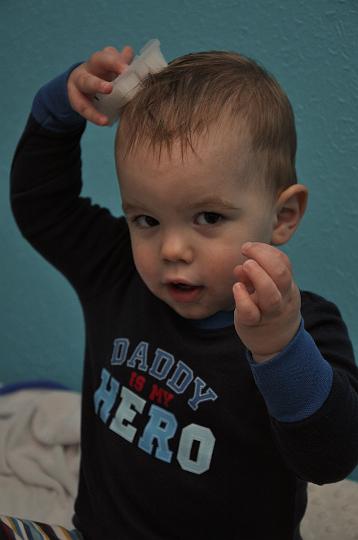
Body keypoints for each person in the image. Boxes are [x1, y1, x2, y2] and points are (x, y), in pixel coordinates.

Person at [4, 43, 358, 540]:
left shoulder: (303, 329)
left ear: (283, 216)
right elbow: (42, 206)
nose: (171, 248)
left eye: (208, 217)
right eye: (145, 219)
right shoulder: (118, 272)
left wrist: (278, 348)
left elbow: (331, 458)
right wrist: (58, 108)